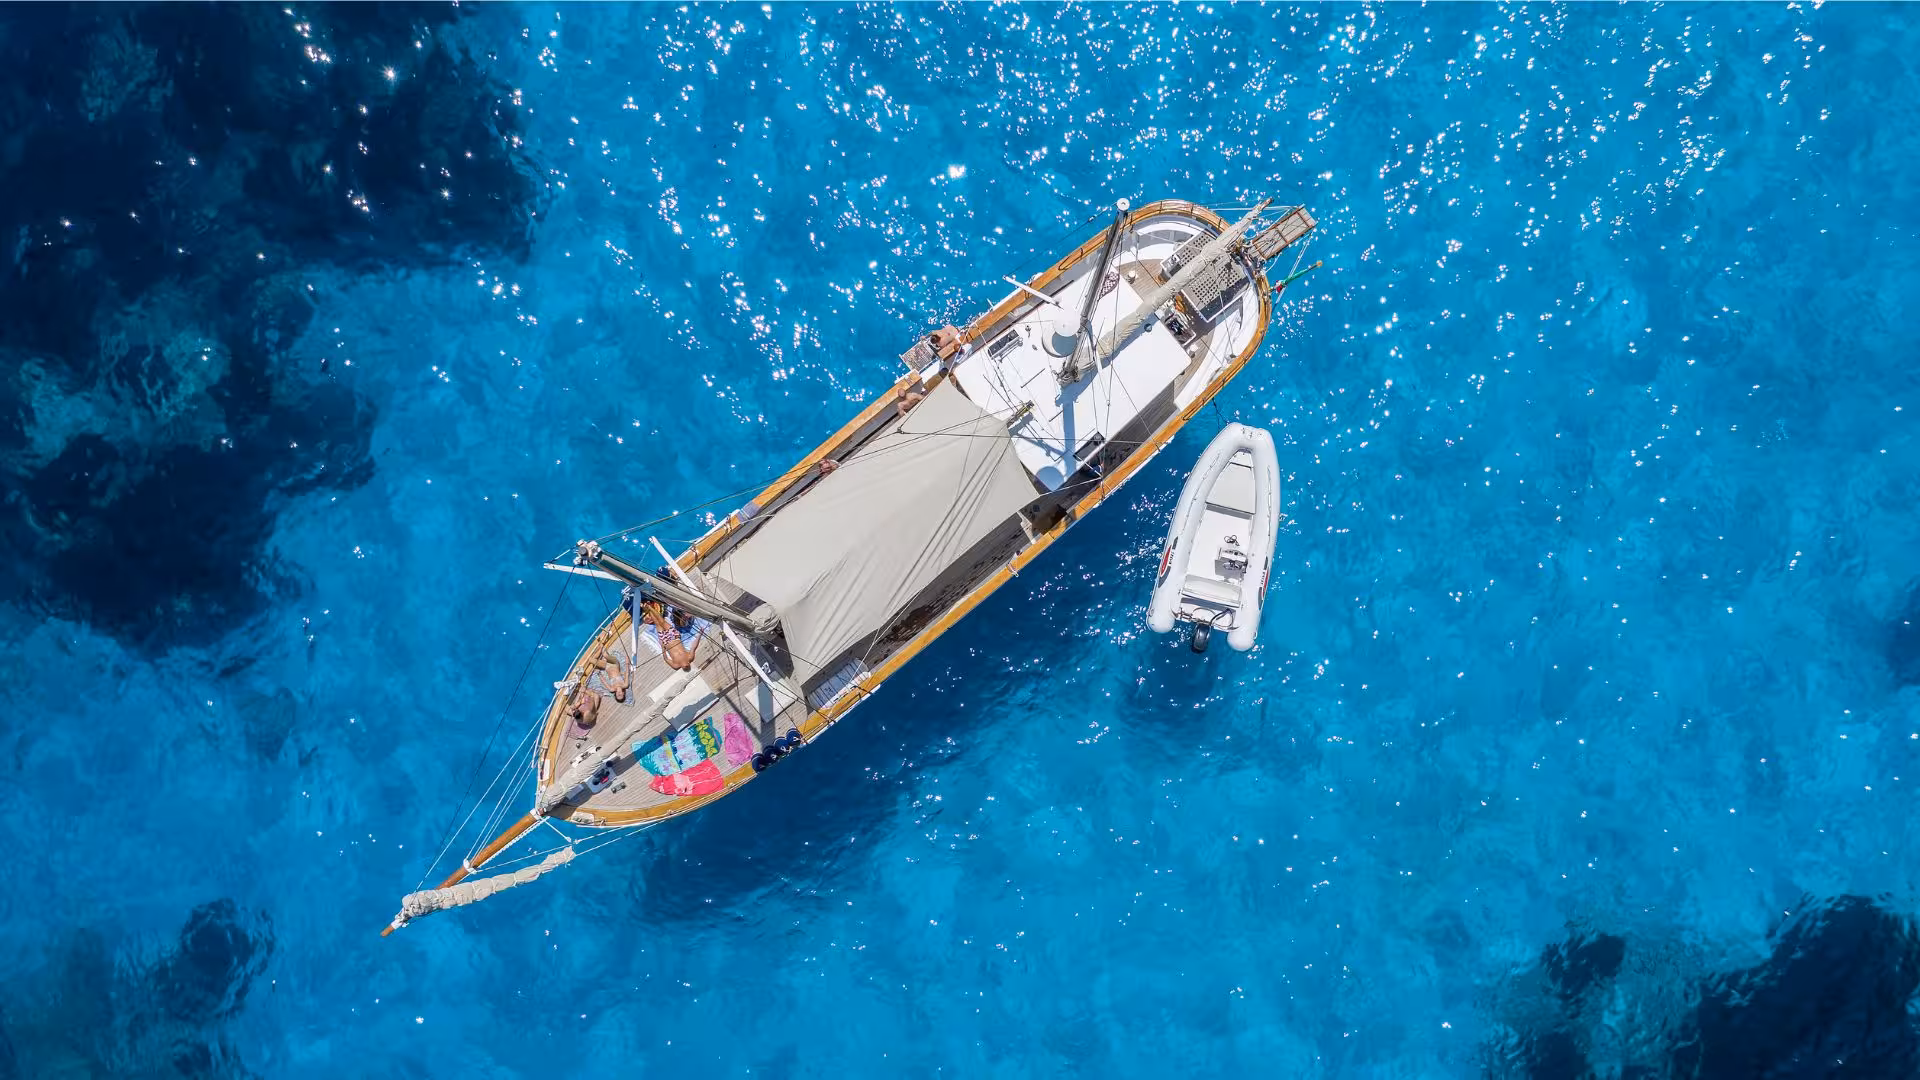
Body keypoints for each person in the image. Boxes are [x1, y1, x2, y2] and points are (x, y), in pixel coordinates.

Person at [642, 600, 701, 671]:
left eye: (685, 666)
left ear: (682, 668)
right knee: (662, 621)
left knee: (657, 623)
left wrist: (662, 647)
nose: (686, 664)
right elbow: (694, 647)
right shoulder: (690, 658)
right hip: (675, 637)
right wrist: (699, 635)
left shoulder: (676, 666)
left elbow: (666, 659)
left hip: (666, 642)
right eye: (687, 665)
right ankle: (649, 607)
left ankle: (646, 609)